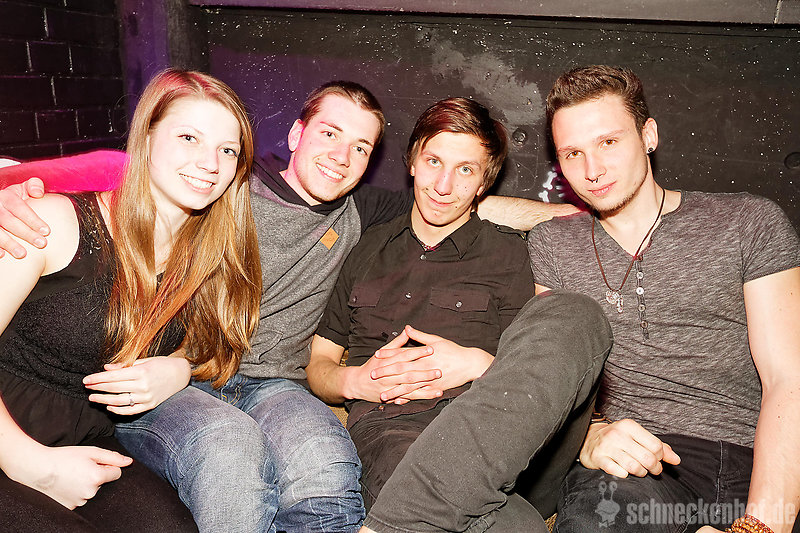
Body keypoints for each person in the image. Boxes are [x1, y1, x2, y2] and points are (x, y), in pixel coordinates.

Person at [0, 81, 577, 532]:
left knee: (323, 464)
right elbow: (128, 171)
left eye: (360, 147)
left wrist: (581, 217)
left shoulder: (360, 211)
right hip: (183, 377)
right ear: (297, 133)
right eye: (329, 133)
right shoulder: (224, 186)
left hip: (275, 383)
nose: (341, 157)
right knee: (228, 455)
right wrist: (17, 182)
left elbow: (454, 199)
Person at [527, 65, 800, 532]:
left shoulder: (747, 222)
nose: (592, 171)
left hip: (762, 459)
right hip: (637, 467)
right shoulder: (554, 244)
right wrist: (590, 437)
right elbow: (552, 379)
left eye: (608, 142)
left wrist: (759, 525)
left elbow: (788, 379)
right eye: (573, 153)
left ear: (648, 135)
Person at [0, 68, 264, 532]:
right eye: (188, 137)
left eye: (227, 150)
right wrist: (31, 464)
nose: (210, 163)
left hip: (88, 443)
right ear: (146, 138)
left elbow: (210, 344)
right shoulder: (52, 223)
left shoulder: (207, 254)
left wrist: (178, 369)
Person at [307, 97, 536, 509]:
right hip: (386, 430)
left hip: (479, 425)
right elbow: (319, 362)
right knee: (419, 478)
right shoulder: (367, 247)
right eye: (433, 162)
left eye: (465, 170)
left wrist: (478, 364)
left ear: (484, 183)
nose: (443, 186)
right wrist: (353, 382)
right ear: (413, 161)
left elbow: (533, 376)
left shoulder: (510, 255)